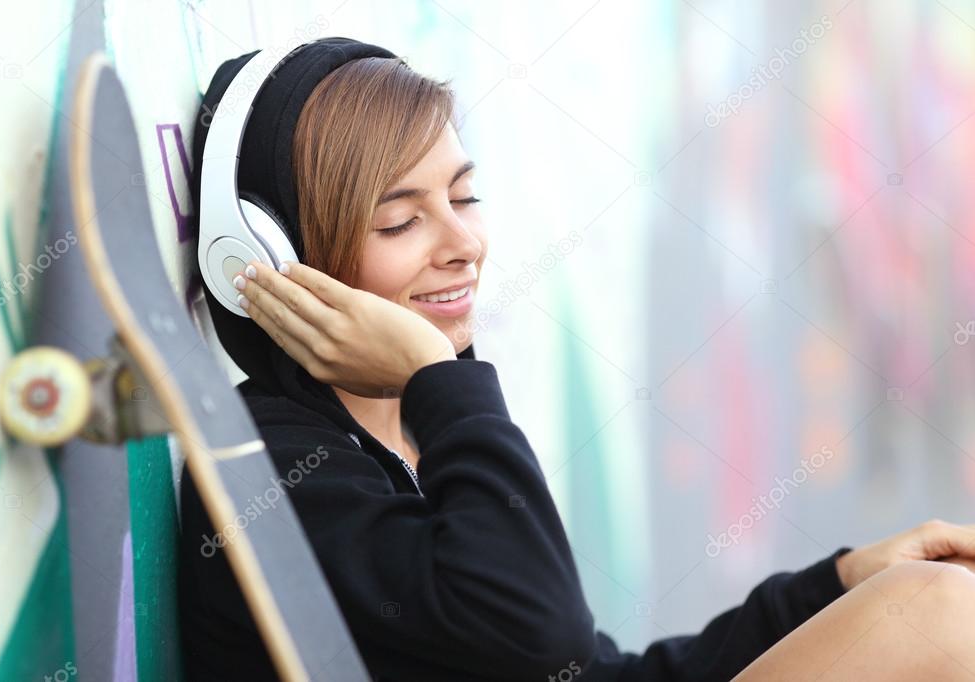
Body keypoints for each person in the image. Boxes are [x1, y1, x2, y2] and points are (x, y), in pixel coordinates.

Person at [179, 36, 975, 681]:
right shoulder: (275, 463)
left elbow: (594, 672)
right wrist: (440, 381)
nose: (462, 245)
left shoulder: (414, 442)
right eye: (400, 222)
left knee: (939, 598)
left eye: (462, 198)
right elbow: (538, 636)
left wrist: (834, 585)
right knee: (938, 614)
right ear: (272, 257)